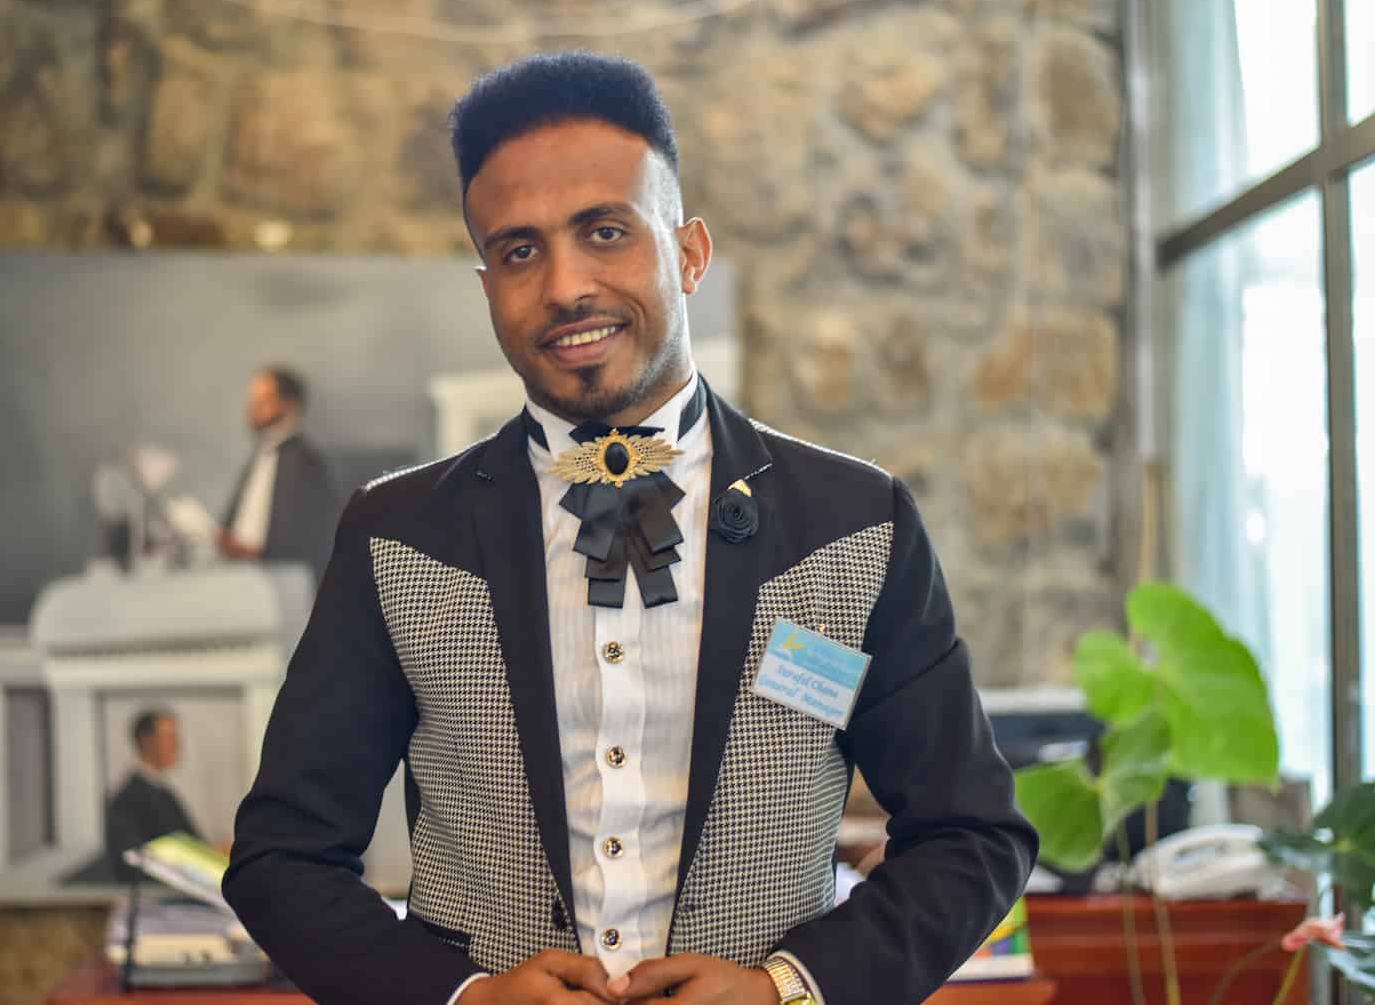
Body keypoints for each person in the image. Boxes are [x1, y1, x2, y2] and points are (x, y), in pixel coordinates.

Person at [224, 52, 1037, 1005]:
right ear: (486, 283)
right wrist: (462, 997)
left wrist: (790, 987)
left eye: (604, 232)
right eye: (520, 251)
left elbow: (973, 835)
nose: (566, 286)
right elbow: (281, 858)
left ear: (689, 252)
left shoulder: (855, 525)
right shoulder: (396, 534)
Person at [217, 367, 338, 576]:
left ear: (289, 405)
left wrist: (257, 552)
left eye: (263, 400)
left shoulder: (305, 463)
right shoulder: (259, 456)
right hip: (245, 573)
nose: (253, 408)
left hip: (284, 578)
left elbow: (310, 538)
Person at [104, 708, 201, 881]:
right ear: (147, 741)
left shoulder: (164, 792)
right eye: (170, 738)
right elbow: (133, 862)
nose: (177, 746)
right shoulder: (127, 800)